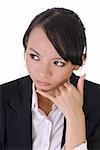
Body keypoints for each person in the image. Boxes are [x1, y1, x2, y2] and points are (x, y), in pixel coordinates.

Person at [0, 7, 100, 150]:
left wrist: (75, 117)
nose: (43, 73)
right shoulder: (3, 98)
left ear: (79, 61)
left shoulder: (97, 102)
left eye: (58, 63)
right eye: (35, 56)